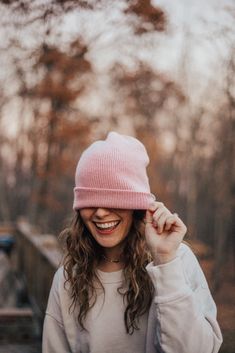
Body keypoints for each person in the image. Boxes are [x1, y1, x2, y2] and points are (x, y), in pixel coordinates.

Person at [42, 131, 223, 353]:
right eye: (91, 201)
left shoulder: (177, 260)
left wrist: (165, 262)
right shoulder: (68, 279)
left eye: (112, 199)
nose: (100, 212)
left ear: (136, 204)